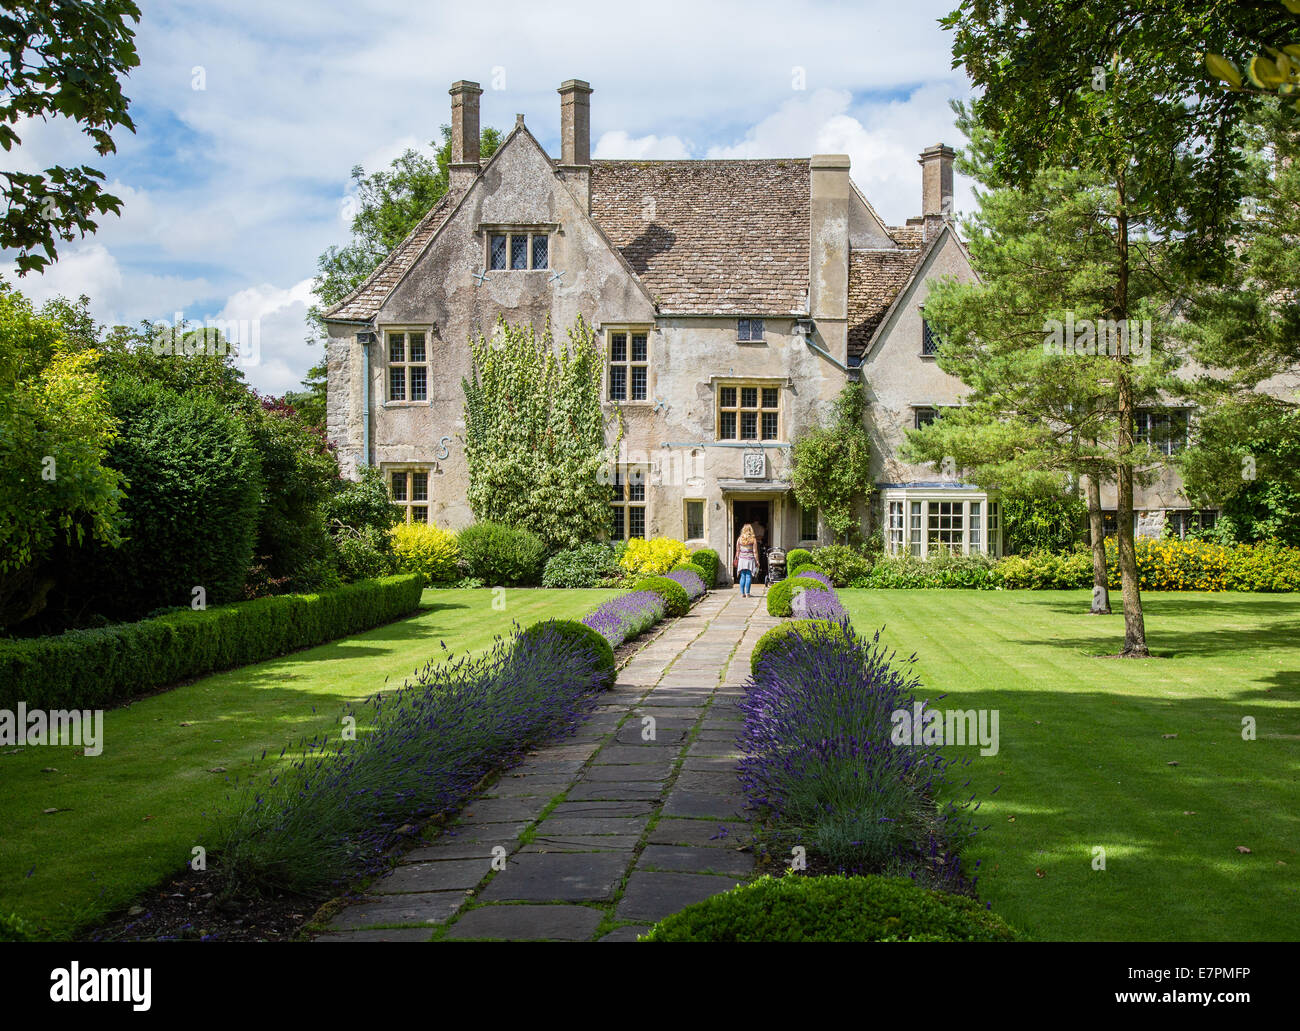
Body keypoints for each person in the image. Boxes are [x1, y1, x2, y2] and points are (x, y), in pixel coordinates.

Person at [734, 523, 759, 597]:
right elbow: (755, 551)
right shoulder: (753, 539)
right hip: (750, 559)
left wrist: (737, 559)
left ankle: (742, 593)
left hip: (742, 559)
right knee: (748, 576)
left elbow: (737, 551)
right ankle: (747, 593)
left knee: (742, 576)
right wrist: (757, 561)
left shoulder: (739, 539)